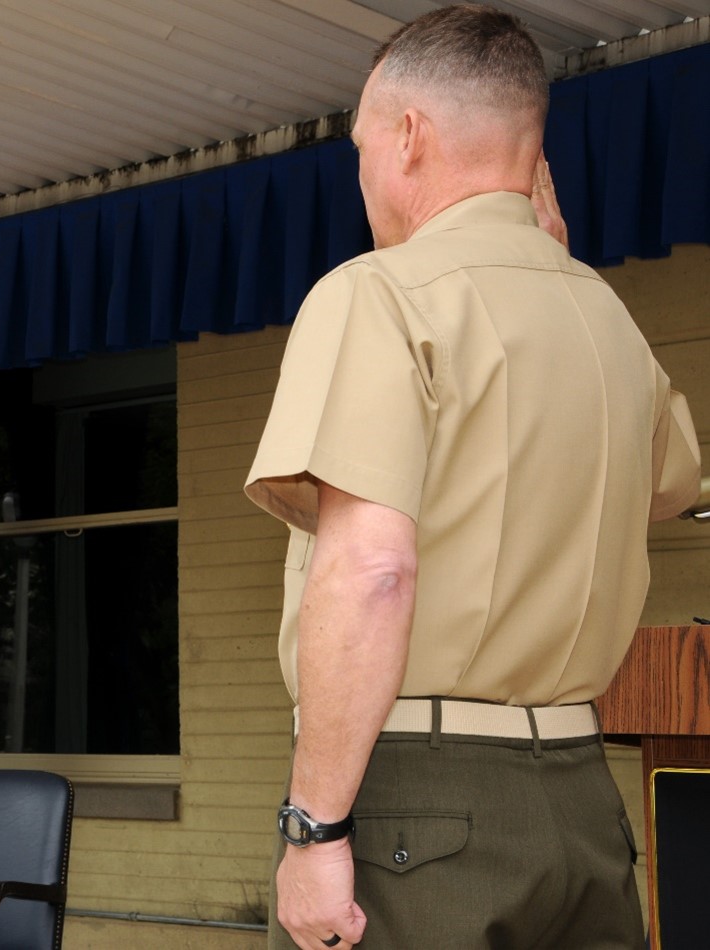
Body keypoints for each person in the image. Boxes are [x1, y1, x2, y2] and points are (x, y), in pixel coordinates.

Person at [244, 6, 702, 948]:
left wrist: (316, 828)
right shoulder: (610, 321)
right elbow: (671, 483)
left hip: (422, 802)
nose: (364, 174)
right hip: (583, 800)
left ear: (409, 136)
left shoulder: (377, 292)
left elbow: (373, 571)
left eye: (363, 144)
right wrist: (552, 276)